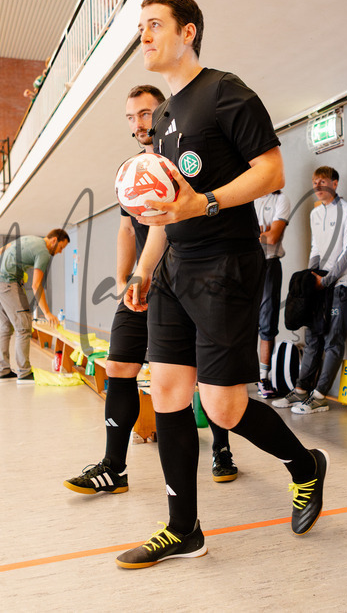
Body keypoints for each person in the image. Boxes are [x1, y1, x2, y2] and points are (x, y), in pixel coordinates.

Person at [115, 0, 327, 569]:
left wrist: (205, 203)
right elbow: (166, 209)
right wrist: (143, 268)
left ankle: (305, 466)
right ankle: (183, 528)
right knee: (167, 394)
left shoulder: (227, 92)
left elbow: (272, 171)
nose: (145, 36)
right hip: (174, 269)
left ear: (188, 32)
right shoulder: (161, 117)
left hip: (226, 265)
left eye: (154, 25)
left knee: (226, 408)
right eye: (141, 27)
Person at [63, 86, 239, 496]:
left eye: (144, 114)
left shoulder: (186, 162)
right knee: (119, 366)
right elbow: (128, 229)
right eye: (130, 117)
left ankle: (223, 450)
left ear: (163, 114)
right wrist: (126, 278)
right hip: (145, 281)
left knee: (200, 378)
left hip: (189, 281)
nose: (138, 124)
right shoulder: (131, 171)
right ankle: (113, 467)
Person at [272, 167, 347, 414]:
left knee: (333, 340)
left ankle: (320, 396)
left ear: (335, 183)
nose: (318, 186)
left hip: (344, 286)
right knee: (312, 337)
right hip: (321, 285)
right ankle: (301, 390)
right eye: (314, 182)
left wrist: (328, 279)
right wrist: (312, 278)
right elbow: (316, 248)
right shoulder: (315, 214)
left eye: (322, 181)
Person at [0, 229, 70, 385]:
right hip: (7, 282)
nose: (60, 252)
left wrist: (15, 268)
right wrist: (47, 313)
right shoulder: (44, 252)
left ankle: (3, 371)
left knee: (5, 327)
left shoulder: (29, 239)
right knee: (24, 327)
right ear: (54, 240)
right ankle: (24, 373)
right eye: (61, 247)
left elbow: (0, 252)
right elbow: (36, 285)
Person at [254, 188, 292, 399]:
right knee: (241, 322)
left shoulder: (280, 199)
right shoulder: (247, 199)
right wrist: (263, 233)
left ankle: (263, 377)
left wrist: (257, 234)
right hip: (245, 265)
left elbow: (273, 237)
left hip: (269, 265)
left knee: (267, 324)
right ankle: (239, 377)